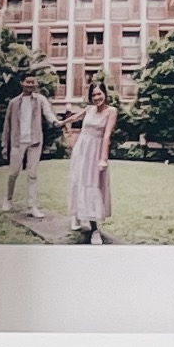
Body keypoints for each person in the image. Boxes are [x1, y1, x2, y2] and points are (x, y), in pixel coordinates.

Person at [68, 85, 119, 243]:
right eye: (94, 95)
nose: (97, 97)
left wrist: (103, 158)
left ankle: (94, 229)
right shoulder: (89, 109)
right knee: (78, 182)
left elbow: (107, 135)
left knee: (92, 187)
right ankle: (76, 215)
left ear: (105, 94)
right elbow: (76, 117)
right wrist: (61, 122)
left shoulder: (111, 111)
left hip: (96, 152)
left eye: (99, 94)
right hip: (81, 150)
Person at [1, 81, 47, 215]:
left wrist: (57, 122)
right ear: (21, 83)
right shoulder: (14, 103)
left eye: (33, 82)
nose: (31, 84)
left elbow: (48, 113)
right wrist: (4, 145)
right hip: (17, 142)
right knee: (13, 173)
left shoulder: (39, 100)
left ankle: (32, 207)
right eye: (28, 81)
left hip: (34, 142)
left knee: (32, 175)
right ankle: (8, 200)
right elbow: (7, 125)